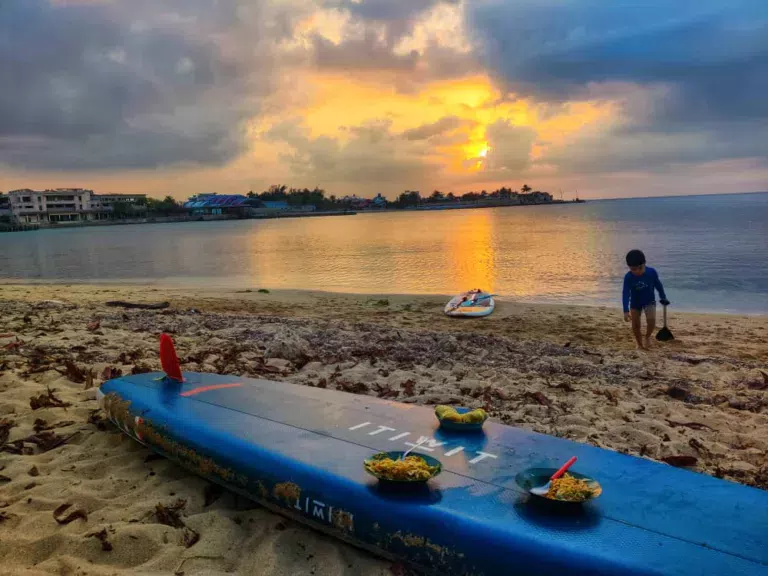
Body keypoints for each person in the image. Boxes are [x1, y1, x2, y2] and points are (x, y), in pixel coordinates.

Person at [622, 250, 670, 349]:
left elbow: (658, 285)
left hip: (649, 301)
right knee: (635, 325)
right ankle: (639, 344)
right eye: (633, 269)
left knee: (651, 321)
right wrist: (626, 310)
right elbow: (625, 293)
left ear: (644, 264)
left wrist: (663, 296)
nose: (637, 271)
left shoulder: (651, 272)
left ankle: (647, 337)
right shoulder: (628, 277)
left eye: (640, 268)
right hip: (635, 303)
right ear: (629, 267)